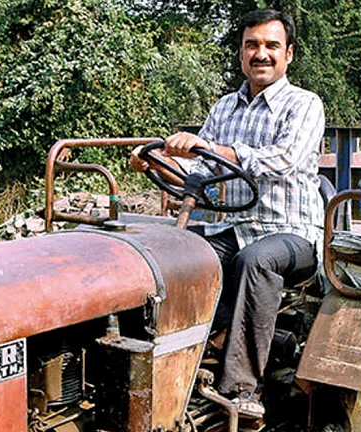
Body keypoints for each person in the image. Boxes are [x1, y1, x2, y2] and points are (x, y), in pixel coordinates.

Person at [129, 8, 325, 419]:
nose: (261, 54)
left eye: (272, 45)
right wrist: (155, 162)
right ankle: (171, 362)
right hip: (232, 227)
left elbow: (284, 159)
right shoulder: (224, 107)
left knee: (256, 260)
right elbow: (200, 171)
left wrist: (215, 150)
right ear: (241, 53)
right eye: (252, 45)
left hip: (291, 232)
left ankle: (240, 391)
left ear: (288, 54)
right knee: (176, 256)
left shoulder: (304, 105)